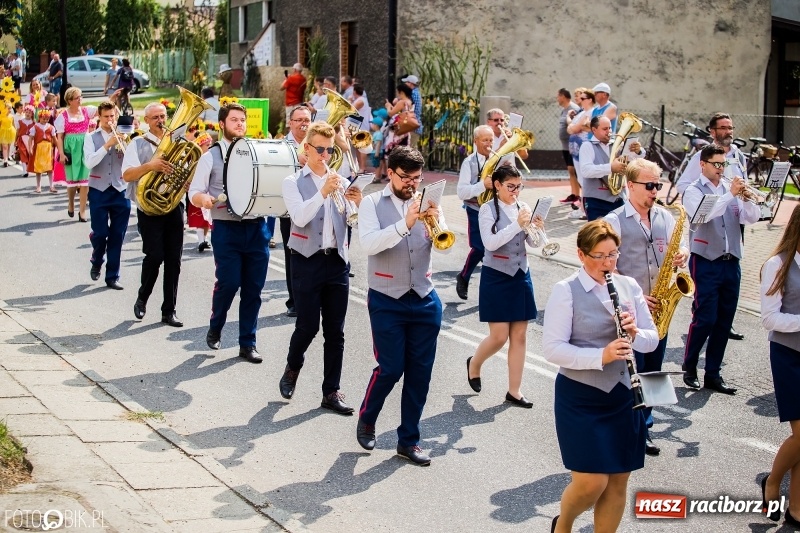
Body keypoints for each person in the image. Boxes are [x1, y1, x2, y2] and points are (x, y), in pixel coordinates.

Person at [542, 219, 658, 533]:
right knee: (591, 483)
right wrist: (601, 356)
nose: (608, 263)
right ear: (582, 255)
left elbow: (652, 339)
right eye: (600, 256)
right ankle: (563, 524)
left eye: (613, 255)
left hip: (623, 395)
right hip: (581, 397)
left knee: (618, 481)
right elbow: (552, 349)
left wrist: (635, 333)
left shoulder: (628, 286)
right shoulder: (566, 290)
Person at [355, 145, 445, 466]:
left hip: (424, 296)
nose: (411, 183)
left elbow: (445, 245)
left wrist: (435, 224)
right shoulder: (371, 204)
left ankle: (409, 440)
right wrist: (405, 223)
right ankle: (367, 418)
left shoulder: (427, 200)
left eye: (416, 178)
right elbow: (369, 244)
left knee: (420, 374)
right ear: (390, 173)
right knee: (391, 368)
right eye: (405, 177)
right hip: (386, 297)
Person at [603, 158, 689, 456]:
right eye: (650, 185)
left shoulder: (665, 216)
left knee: (653, 370)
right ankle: (625, 426)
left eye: (658, 185)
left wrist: (683, 254)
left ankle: (645, 426)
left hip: (660, 306)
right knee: (629, 371)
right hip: (630, 310)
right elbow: (607, 267)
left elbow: (682, 245)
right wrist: (635, 295)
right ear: (630, 185)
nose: (655, 191)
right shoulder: (614, 221)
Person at [278, 121, 362, 412]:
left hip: (336, 261)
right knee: (307, 326)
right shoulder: (292, 182)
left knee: (335, 332)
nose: (325, 155)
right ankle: (292, 367)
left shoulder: (340, 181)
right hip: (306, 260)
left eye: (330, 150)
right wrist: (323, 191)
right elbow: (299, 217)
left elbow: (351, 221)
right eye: (320, 149)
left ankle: (331, 391)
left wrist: (356, 203)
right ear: (307, 148)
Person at [189, 103, 270, 362]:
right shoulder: (210, 156)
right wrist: (203, 199)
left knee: (253, 289)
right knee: (229, 283)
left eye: (242, 120)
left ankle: (248, 343)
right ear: (222, 124)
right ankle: (216, 326)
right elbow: (194, 192)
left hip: (257, 228)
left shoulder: (256, 152)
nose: (239, 124)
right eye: (234, 119)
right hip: (226, 228)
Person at [681, 143, 760, 394]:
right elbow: (703, 215)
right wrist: (730, 195)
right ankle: (689, 365)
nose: (720, 169)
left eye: (723, 164)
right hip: (705, 260)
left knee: (724, 321)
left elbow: (751, 218)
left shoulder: (730, 188)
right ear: (702, 165)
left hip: (731, 261)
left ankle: (713, 374)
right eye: (716, 164)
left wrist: (747, 199)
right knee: (705, 318)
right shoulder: (693, 191)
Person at [466, 165, 542, 407]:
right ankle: (474, 363)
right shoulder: (487, 209)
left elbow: (533, 243)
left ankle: (514, 391)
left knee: (519, 336)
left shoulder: (523, 207)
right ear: (497, 185)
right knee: (499, 337)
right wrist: (517, 225)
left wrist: (537, 229)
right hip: (496, 276)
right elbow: (489, 243)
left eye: (519, 187)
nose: (515, 192)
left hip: (521, 274)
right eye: (511, 187)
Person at [676, 113, 749, 341]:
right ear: (713, 131)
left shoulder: (739, 156)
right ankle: (703, 318)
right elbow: (682, 184)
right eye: (723, 128)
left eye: (730, 127)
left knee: (729, 270)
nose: (728, 132)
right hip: (708, 219)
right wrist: (705, 195)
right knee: (708, 279)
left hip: (733, 217)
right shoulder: (702, 155)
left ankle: (725, 322)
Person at [121, 102, 184, 328]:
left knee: (174, 260)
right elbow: (127, 175)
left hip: (173, 205)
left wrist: (186, 181)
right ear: (146, 121)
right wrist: (150, 166)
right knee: (155, 256)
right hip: (149, 207)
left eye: (163, 116)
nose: (160, 120)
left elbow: (186, 171)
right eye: (155, 117)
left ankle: (169, 310)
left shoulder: (177, 142)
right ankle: (143, 297)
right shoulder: (138, 143)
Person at [760, 204, 800, 528]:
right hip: (789, 355)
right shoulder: (776, 264)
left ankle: (797, 508)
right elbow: (769, 319)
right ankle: (773, 482)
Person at [84, 101, 131, 290]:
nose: (110, 120)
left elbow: (132, 161)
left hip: (120, 189)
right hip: (98, 189)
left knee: (117, 235)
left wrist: (126, 142)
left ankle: (112, 276)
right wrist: (107, 145)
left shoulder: (124, 135)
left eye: (112, 116)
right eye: (106, 117)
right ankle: (97, 259)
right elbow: (89, 163)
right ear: (99, 117)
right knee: (100, 233)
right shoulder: (91, 137)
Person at [55, 87, 110, 222]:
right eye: (77, 98)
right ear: (69, 101)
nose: (80, 99)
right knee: (72, 182)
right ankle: (71, 203)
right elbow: (60, 137)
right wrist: (61, 153)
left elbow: (102, 110)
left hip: (85, 147)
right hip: (71, 150)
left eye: (81, 96)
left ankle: (82, 211)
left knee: (85, 182)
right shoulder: (63, 116)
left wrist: (112, 99)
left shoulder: (87, 111)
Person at [280, 105, 312, 317]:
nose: (303, 124)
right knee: (292, 254)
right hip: (290, 208)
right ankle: (294, 301)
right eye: (299, 120)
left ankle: (312, 299)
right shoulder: (282, 145)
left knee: (314, 253)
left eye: (307, 120)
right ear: (290, 123)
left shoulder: (316, 143)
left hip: (314, 204)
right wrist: (294, 159)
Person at [455, 125, 494, 300]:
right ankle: (464, 277)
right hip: (475, 209)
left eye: (491, 140)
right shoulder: (469, 162)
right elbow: (462, 192)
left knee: (492, 249)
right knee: (479, 247)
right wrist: (483, 185)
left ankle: (489, 290)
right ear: (476, 141)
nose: (489, 144)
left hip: (494, 209)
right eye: (485, 140)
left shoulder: (498, 159)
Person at [579, 116, 644, 221]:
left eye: (610, 128)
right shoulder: (587, 146)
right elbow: (586, 171)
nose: (609, 131)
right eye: (605, 129)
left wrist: (638, 151)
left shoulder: (618, 145)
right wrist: (611, 168)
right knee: (599, 231)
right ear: (594, 130)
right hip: (596, 201)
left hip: (619, 199)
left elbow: (635, 162)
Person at [558, 88, 581, 205]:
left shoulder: (574, 109)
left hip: (572, 145)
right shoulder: (564, 110)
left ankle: (578, 196)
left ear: (563, 96)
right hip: (565, 146)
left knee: (574, 170)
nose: (557, 99)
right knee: (571, 171)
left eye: (558, 96)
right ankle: (574, 194)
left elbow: (574, 126)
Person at [30, 109, 57, 193]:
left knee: (50, 168)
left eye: (47, 119)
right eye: (43, 119)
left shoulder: (51, 127)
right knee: (38, 168)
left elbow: (54, 139)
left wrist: (59, 148)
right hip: (39, 149)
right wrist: (30, 148)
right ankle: (38, 186)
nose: (45, 120)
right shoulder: (35, 127)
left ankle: (51, 186)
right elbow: (30, 139)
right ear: (39, 118)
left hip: (48, 149)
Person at [400, 75, 423, 148]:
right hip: (414, 126)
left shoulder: (412, 93)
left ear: (410, 84)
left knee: (410, 150)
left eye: (406, 82)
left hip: (412, 126)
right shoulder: (416, 92)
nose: (405, 84)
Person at [15, 105, 34, 180]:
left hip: (30, 141)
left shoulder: (33, 122)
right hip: (22, 140)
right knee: (23, 154)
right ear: (24, 112)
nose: (27, 114)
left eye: (29, 113)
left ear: (32, 114)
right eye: (26, 112)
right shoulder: (20, 121)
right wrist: (15, 140)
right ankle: (24, 171)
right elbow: (17, 132)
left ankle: (28, 169)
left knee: (29, 155)